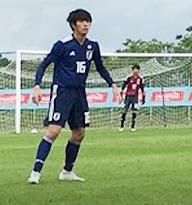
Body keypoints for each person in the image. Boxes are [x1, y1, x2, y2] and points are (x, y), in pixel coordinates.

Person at [28, 9, 117, 184]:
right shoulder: (62, 45)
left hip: (79, 93)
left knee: (79, 133)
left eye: (88, 22)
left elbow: (100, 67)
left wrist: (112, 85)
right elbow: (44, 65)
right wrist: (36, 86)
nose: (86, 25)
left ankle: (67, 171)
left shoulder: (92, 46)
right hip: (62, 92)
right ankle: (36, 172)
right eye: (82, 21)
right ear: (74, 24)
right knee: (54, 130)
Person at [119, 64, 144, 132]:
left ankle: (132, 126)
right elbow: (124, 86)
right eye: (134, 69)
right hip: (128, 96)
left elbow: (142, 89)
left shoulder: (140, 79)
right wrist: (121, 94)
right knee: (124, 111)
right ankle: (121, 126)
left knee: (134, 111)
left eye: (136, 69)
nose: (135, 70)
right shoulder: (129, 78)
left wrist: (143, 97)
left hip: (135, 97)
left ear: (138, 70)